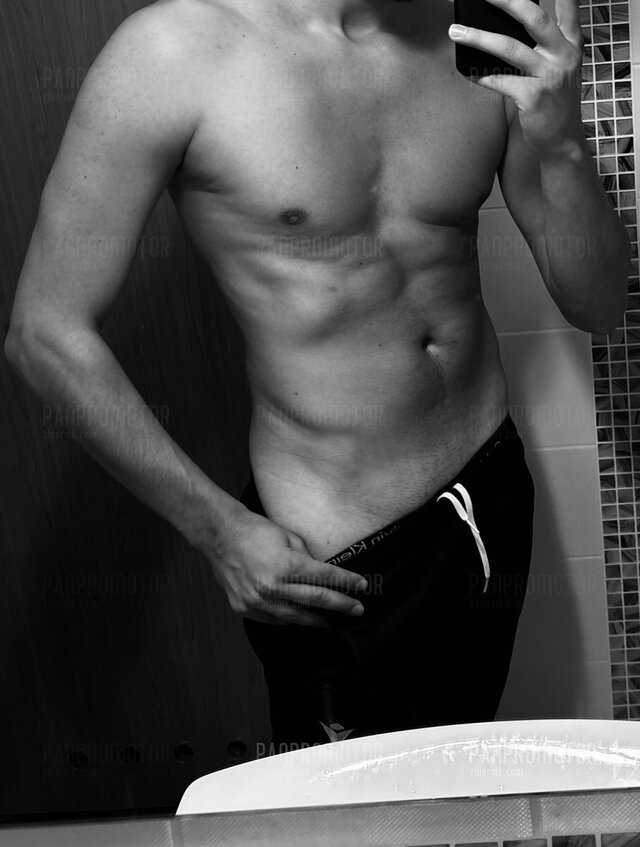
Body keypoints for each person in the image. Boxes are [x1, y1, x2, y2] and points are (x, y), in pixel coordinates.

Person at [5, 0, 630, 748]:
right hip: (338, 553)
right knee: (358, 805)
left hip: (486, 496)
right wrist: (219, 530)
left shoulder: (478, 41)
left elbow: (597, 303)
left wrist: (562, 143)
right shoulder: (172, 54)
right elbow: (45, 332)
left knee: (455, 776)